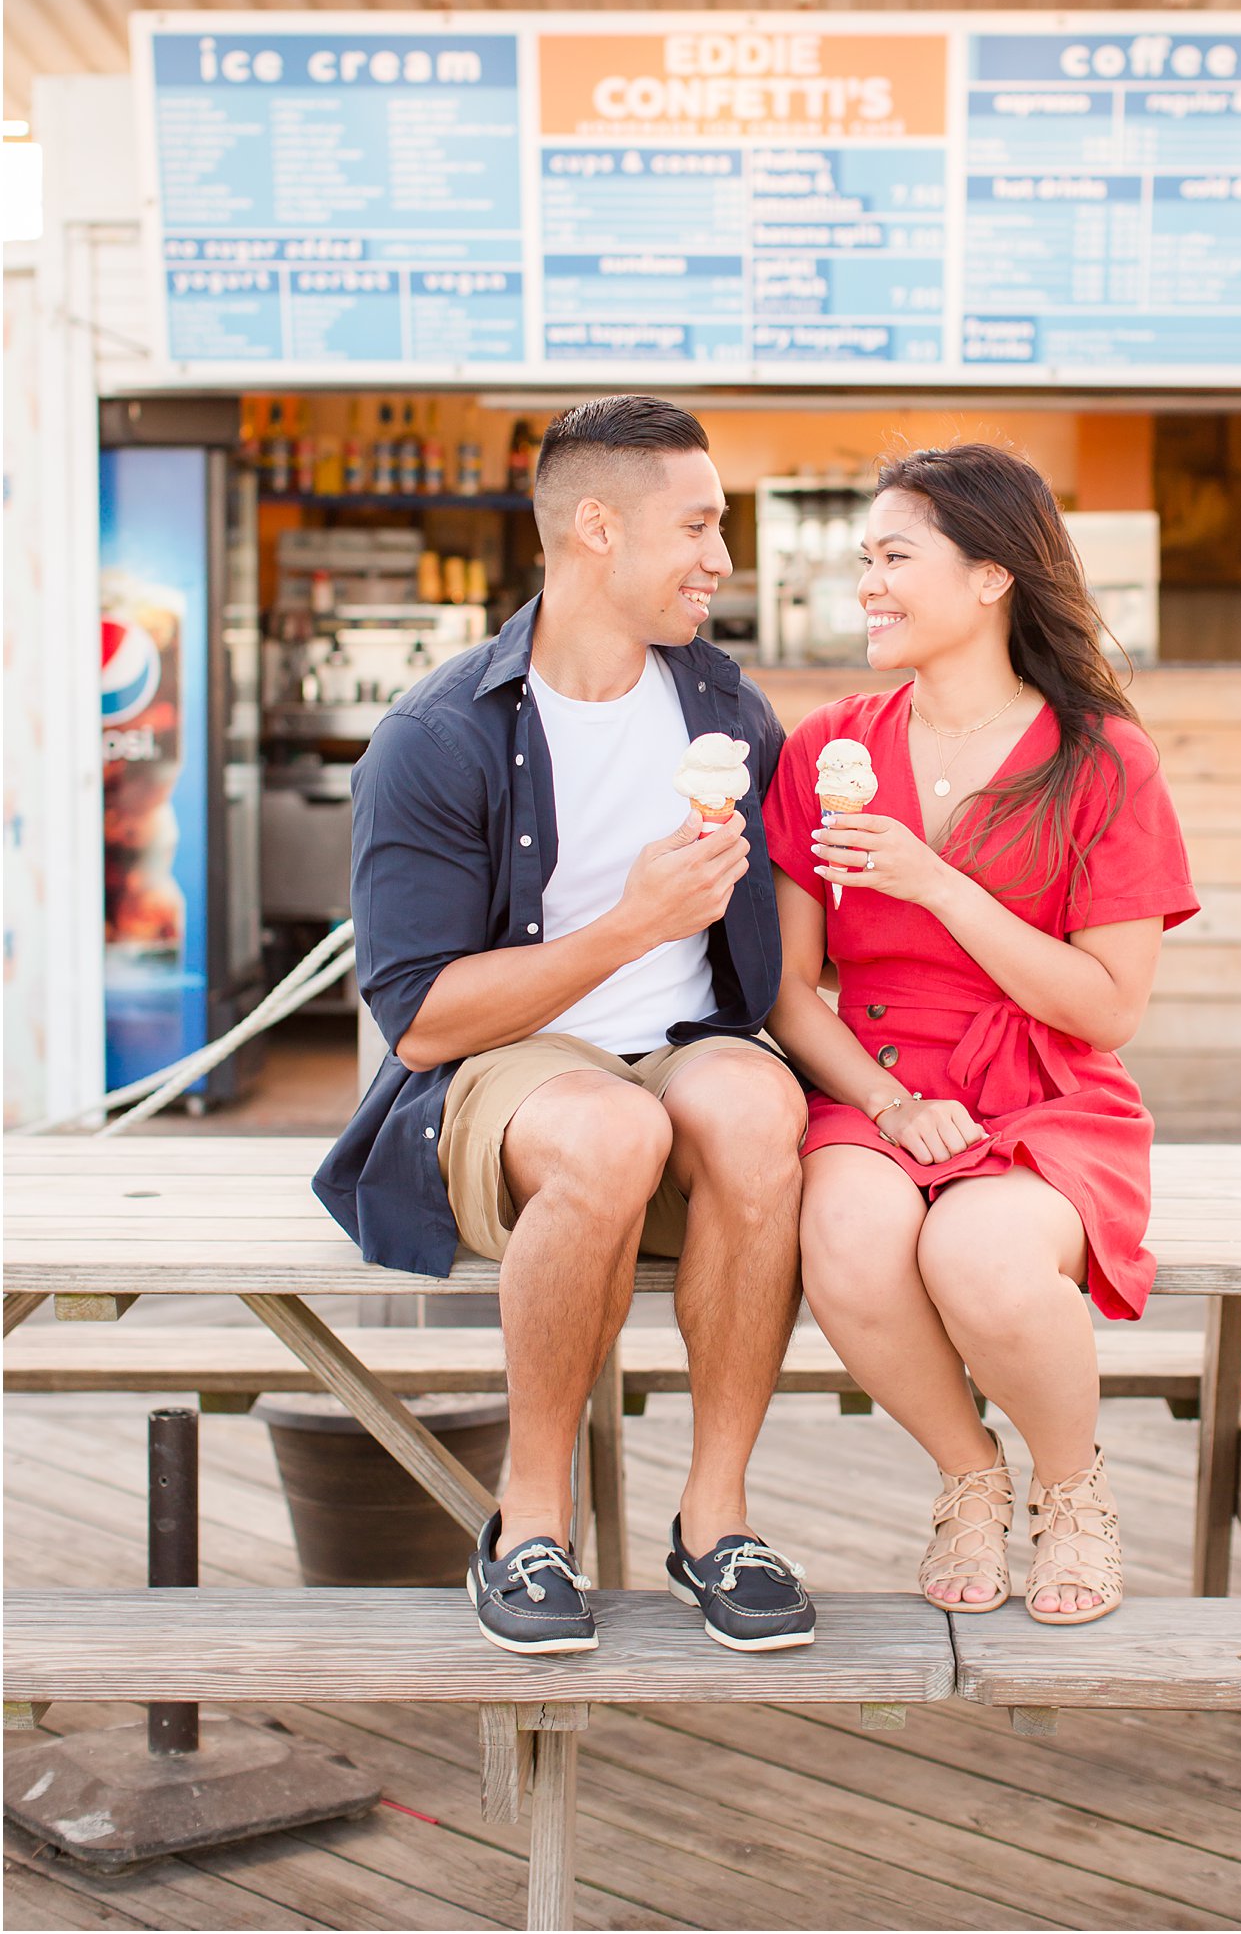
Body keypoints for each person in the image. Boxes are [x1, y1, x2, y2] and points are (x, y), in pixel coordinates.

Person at [315, 396, 814, 1657]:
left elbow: (783, 953)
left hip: (687, 1043)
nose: (720, 558)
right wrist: (626, 926)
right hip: (516, 1071)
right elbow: (420, 1019)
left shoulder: (727, 713)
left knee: (758, 1109)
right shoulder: (438, 737)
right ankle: (527, 1523)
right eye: (697, 526)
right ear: (596, 526)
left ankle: (717, 1521)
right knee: (607, 1136)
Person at [762, 444, 1198, 1626]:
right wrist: (888, 1101)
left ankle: (1072, 1491)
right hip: (876, 1074)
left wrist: (937, 884)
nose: (867, 583)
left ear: (993, 575)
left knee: (979, 1257)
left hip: (1045, 1087)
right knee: (846, 1236)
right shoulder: (827, 747)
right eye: (865, 558)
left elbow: (1107, 1006)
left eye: (895, 557)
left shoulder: (1101, 760)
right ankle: (967, 1474)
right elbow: (789, 989)